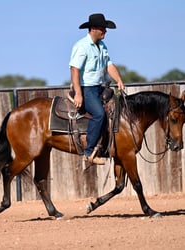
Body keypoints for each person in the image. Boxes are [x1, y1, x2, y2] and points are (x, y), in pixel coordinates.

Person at [69, 13, 125, 165]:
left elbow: (109, 65)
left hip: (99, 87)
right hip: (86, 89)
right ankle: (88, 152)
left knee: (117, 107)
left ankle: (108, 145)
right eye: (102, 29)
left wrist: (118, 79)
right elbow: (74, 69)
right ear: (93, 29)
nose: (105, 32)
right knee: (99, 114)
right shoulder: (82, 46)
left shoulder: (102, 46)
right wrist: (78, 94)